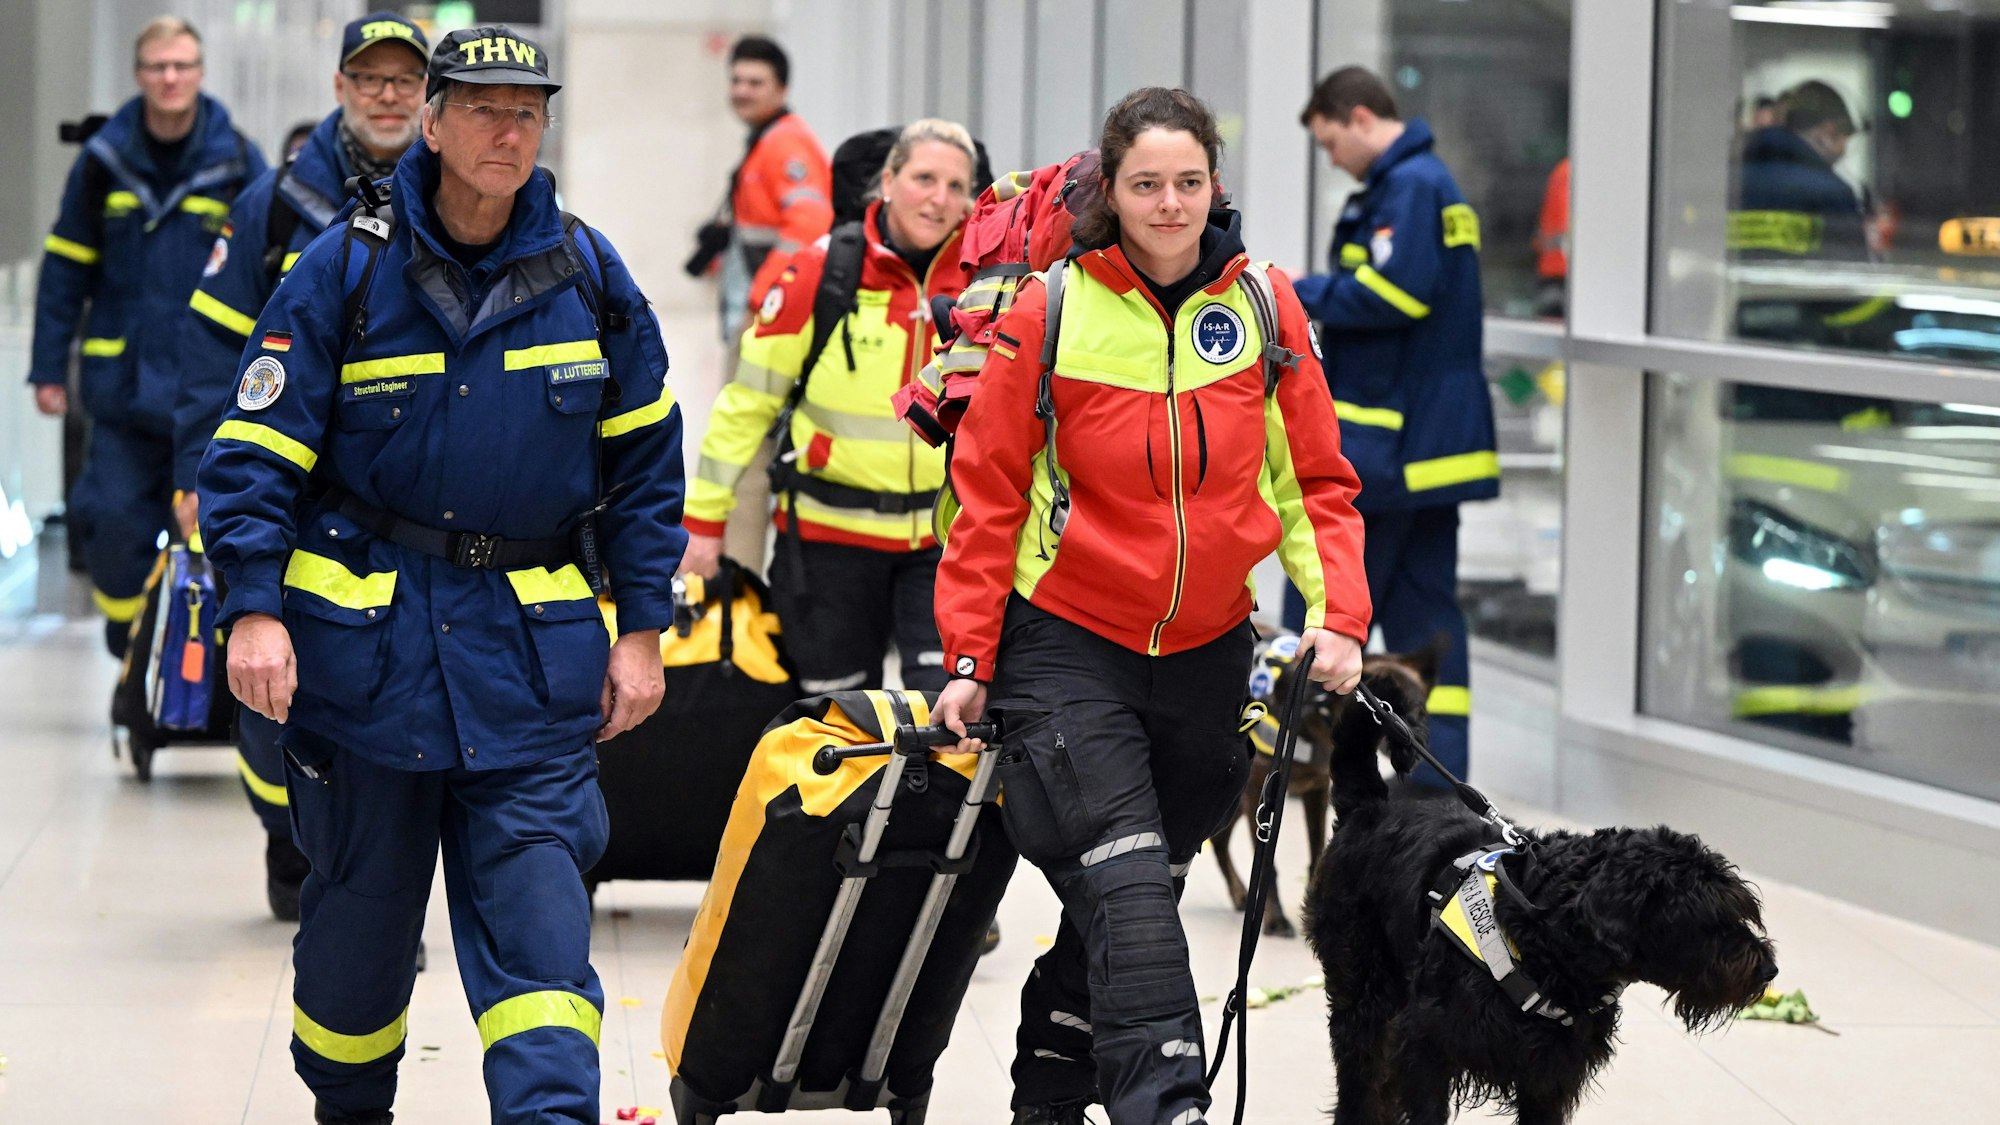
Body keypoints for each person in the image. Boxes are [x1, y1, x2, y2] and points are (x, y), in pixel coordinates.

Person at [197, 26, 685, 1123]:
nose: (507, 131)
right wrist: (253, 609)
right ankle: (351, 1108)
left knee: (544, 951)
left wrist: (643, 626)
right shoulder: (345, 269)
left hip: (531, 674)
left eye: (526, 113)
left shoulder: (589, 275)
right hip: (367, 672)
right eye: (481, 109)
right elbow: (254, 453)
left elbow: (647, 463)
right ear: (430, 122)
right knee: (355, 950)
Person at [930, 87, 1371, 1125]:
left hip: (1206, 650)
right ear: (1112, 193)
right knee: (1127, 884)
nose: (1169, 203)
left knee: (1132, 895)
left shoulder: (1263, 308)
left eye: (1187, 182)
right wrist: (969, 656)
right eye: (1145, 184)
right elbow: (987, 494)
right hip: (1066, 640)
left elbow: (1313, 481)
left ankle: (1050, 1086)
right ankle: (1168, 1103)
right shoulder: (1051, 310)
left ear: (1213, 183)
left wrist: (1338, 614)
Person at [173, 10, 430, 924]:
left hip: (402, 504)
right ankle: (290, 836)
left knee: (385, 692)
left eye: (406, 80)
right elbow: (211, 352)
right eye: (371, 79)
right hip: (281, 492)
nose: (389, 96)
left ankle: (369, 890)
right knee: (265, 691)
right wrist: (196, 475)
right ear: (340, 88)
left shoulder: (464, 201)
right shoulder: (275, 205)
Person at [681, 119, 978, 694]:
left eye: (955, 186)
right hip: (828, 546)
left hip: (943, 545)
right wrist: (704, 520)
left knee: (945, 711)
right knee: (833, 717)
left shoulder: (981, 280)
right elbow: (747, 403)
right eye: (924, 178)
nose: (939, 199)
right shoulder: (821, 271)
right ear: (888, 181)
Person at [29, 16, 265, 657]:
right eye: (158, 66)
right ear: (138, 75)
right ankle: (126, 634)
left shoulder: (237, 160)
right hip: (123, 391)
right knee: (110, 523)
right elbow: (64, 267)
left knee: (216, 528)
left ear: (200, 72)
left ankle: (206, 664)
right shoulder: (103, 161)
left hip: (209, 394)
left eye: (182, 65)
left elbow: (269, 272)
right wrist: (47, 368)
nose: (170, 78)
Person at [1291, 65, 1495, 787]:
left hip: (1393, 449)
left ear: (1358, 117)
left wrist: (1299, 292)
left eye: (1329, 142)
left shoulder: (1410, 187)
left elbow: (1397, 293)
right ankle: (1438, 786)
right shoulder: (1422, 184)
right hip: (1426, 449)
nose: (1331, 159)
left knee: (1322, 602)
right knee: (1426, 626)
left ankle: (1295, 765)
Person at [686, 35, 833, 341]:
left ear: (782, 89)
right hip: (764, 311)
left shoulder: (785, 143)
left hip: (771, 318)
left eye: (755, 83)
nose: (741, 91)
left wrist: (761, 299)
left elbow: (809, 227)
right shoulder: (767, 140)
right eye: (736, 81)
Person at [1733, 79, 1868, 261]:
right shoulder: (1832, 194)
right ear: (1828, 131)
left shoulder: (1731, 181)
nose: (1843, 152)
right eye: (1844, 138)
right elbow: (1851, 268)